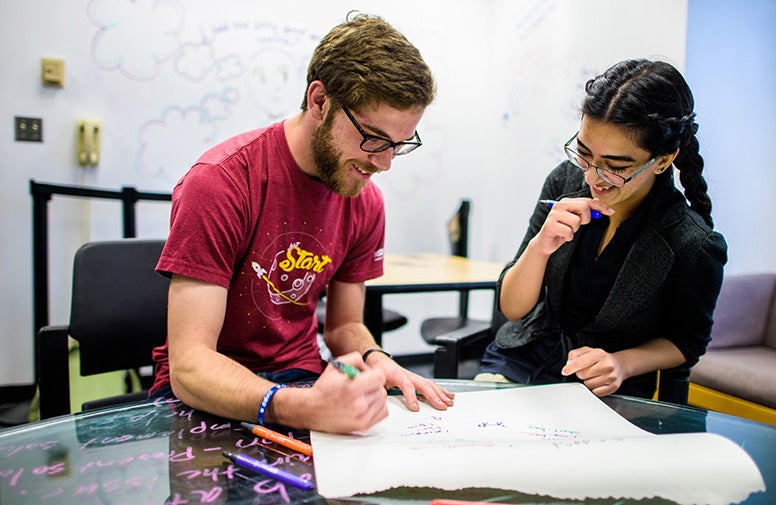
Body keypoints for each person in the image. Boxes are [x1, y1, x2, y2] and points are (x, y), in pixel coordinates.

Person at [148, 13, 454, 434]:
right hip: (208, 395)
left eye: (400, 146)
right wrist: (298, 407)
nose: (384, 163)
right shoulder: (221, 182)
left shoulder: (364, 201)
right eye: (374, 138)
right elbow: (190, 366)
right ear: (319, 101)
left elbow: (344, 326)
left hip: (302, 381)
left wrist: (378, 361)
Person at [476, 58, 728, 399]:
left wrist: (622, 363)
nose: (592, 177)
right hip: (525, 358)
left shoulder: (693, 243)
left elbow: (687, 342)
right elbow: (512, 308)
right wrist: (540, 247)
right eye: (584, 153)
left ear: (664, 160)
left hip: (607, 388)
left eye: (614, 166)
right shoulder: (564, 182)